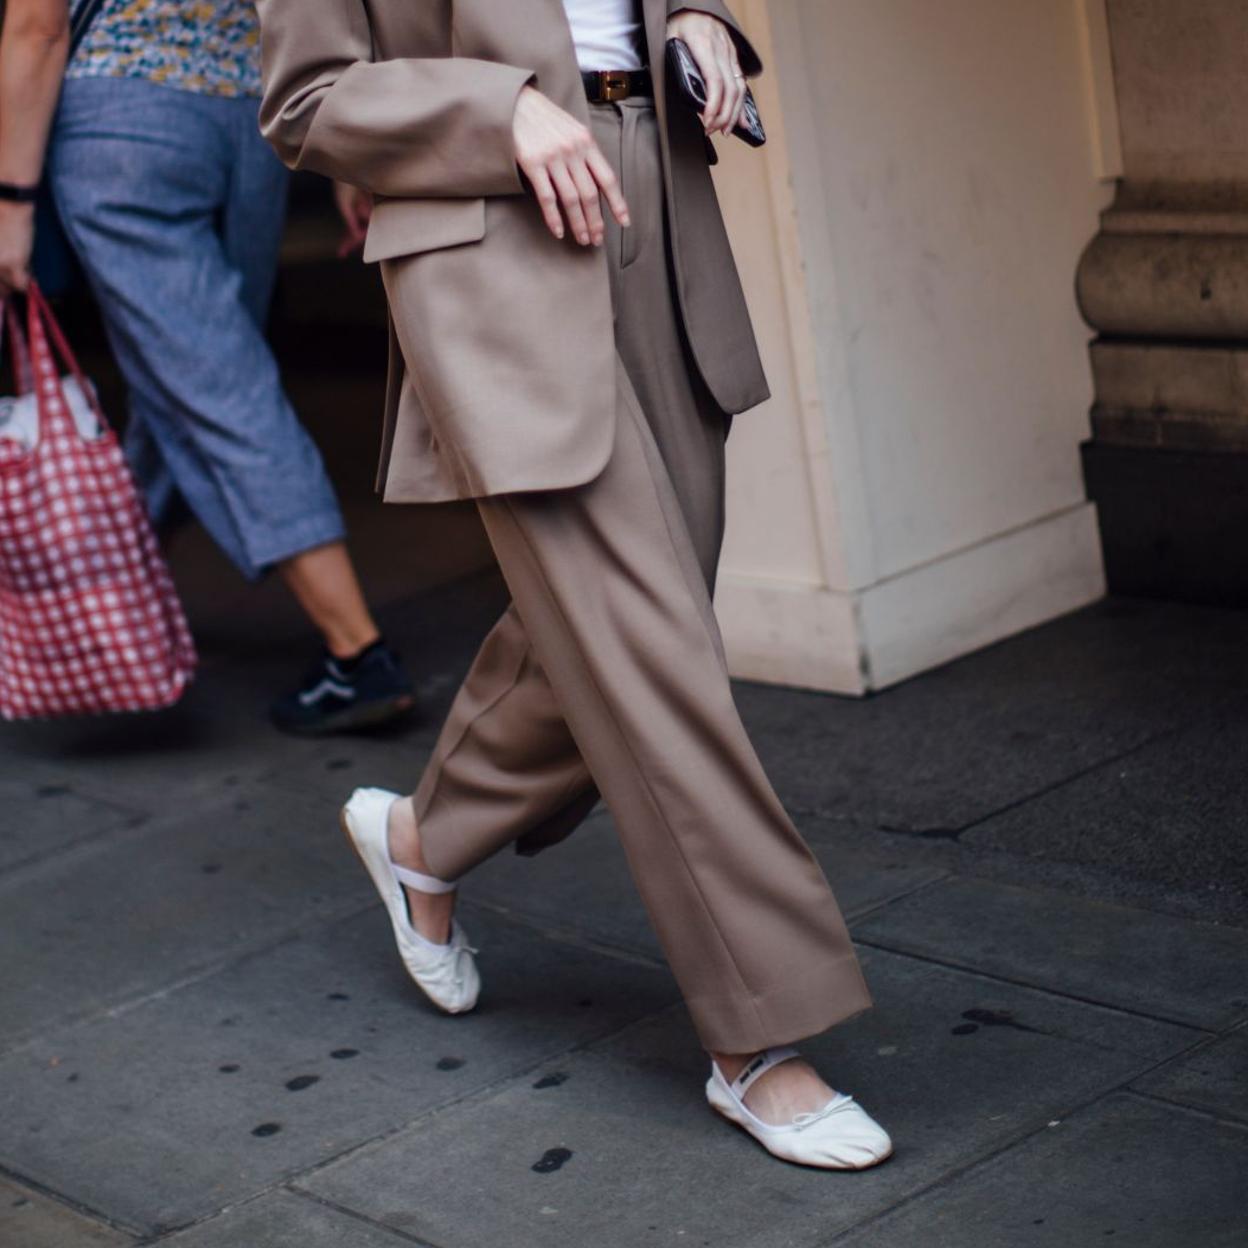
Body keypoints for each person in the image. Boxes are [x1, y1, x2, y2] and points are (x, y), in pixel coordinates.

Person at [258, 0, 894, 1169]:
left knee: (618, 625)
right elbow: (306, 101)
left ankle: (421, 840)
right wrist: (496, 111)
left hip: (657, 193)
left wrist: (699, 17)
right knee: (652, 654)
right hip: (491, 238)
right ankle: (758, 1034)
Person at [0, 0, 414, 736]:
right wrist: (343, 152)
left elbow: (39, 26)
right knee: (190, 370)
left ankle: (358, 652)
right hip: (251, 123)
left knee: (216, 383)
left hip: (124, 121)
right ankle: (108, 600)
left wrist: (10, 202)